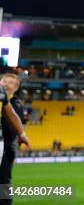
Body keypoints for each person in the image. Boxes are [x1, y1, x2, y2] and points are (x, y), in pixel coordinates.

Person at [0, 74, 26, 205]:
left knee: (3, 180)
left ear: (16, 88)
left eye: (10, 83)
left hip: (6, 148)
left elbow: (11, 128)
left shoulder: (16, 105)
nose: (5, 84)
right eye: (4, 80)